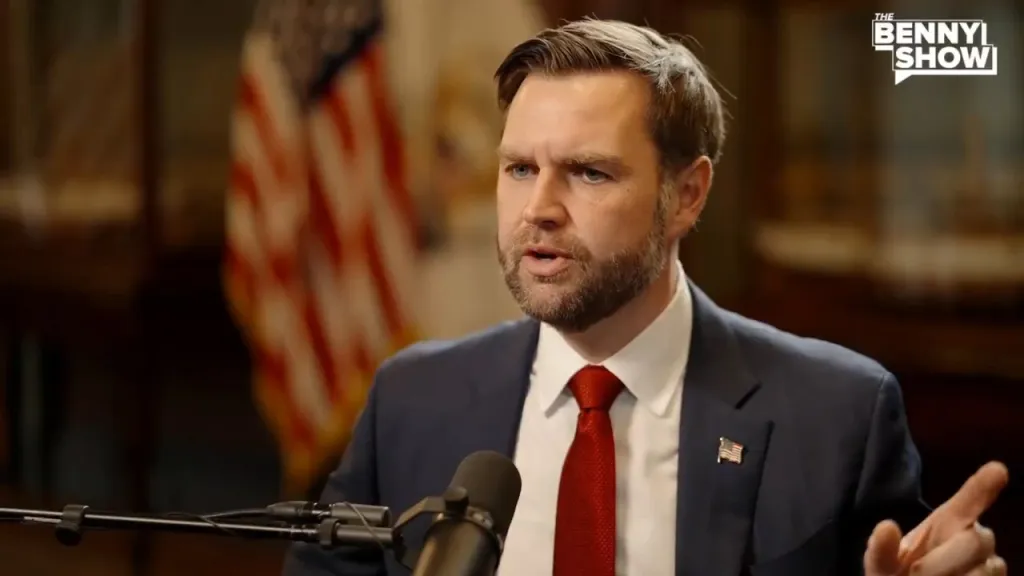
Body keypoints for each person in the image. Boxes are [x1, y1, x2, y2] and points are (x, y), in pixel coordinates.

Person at [282, 19, 1009, 576]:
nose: (538, 207)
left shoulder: (838, 414)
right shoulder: (411, 400)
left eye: (589, 173)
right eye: (518, 168)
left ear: (687, 195)